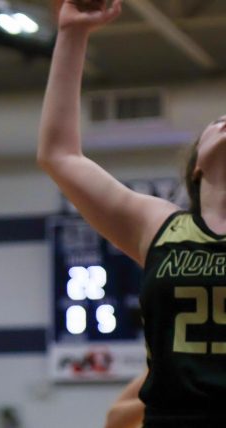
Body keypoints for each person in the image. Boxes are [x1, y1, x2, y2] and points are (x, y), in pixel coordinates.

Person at [39, 0, 226, 426]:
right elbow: (60, 155)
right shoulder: (160, 225)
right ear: (197, 166)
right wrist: (72, 34)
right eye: (217, 121)